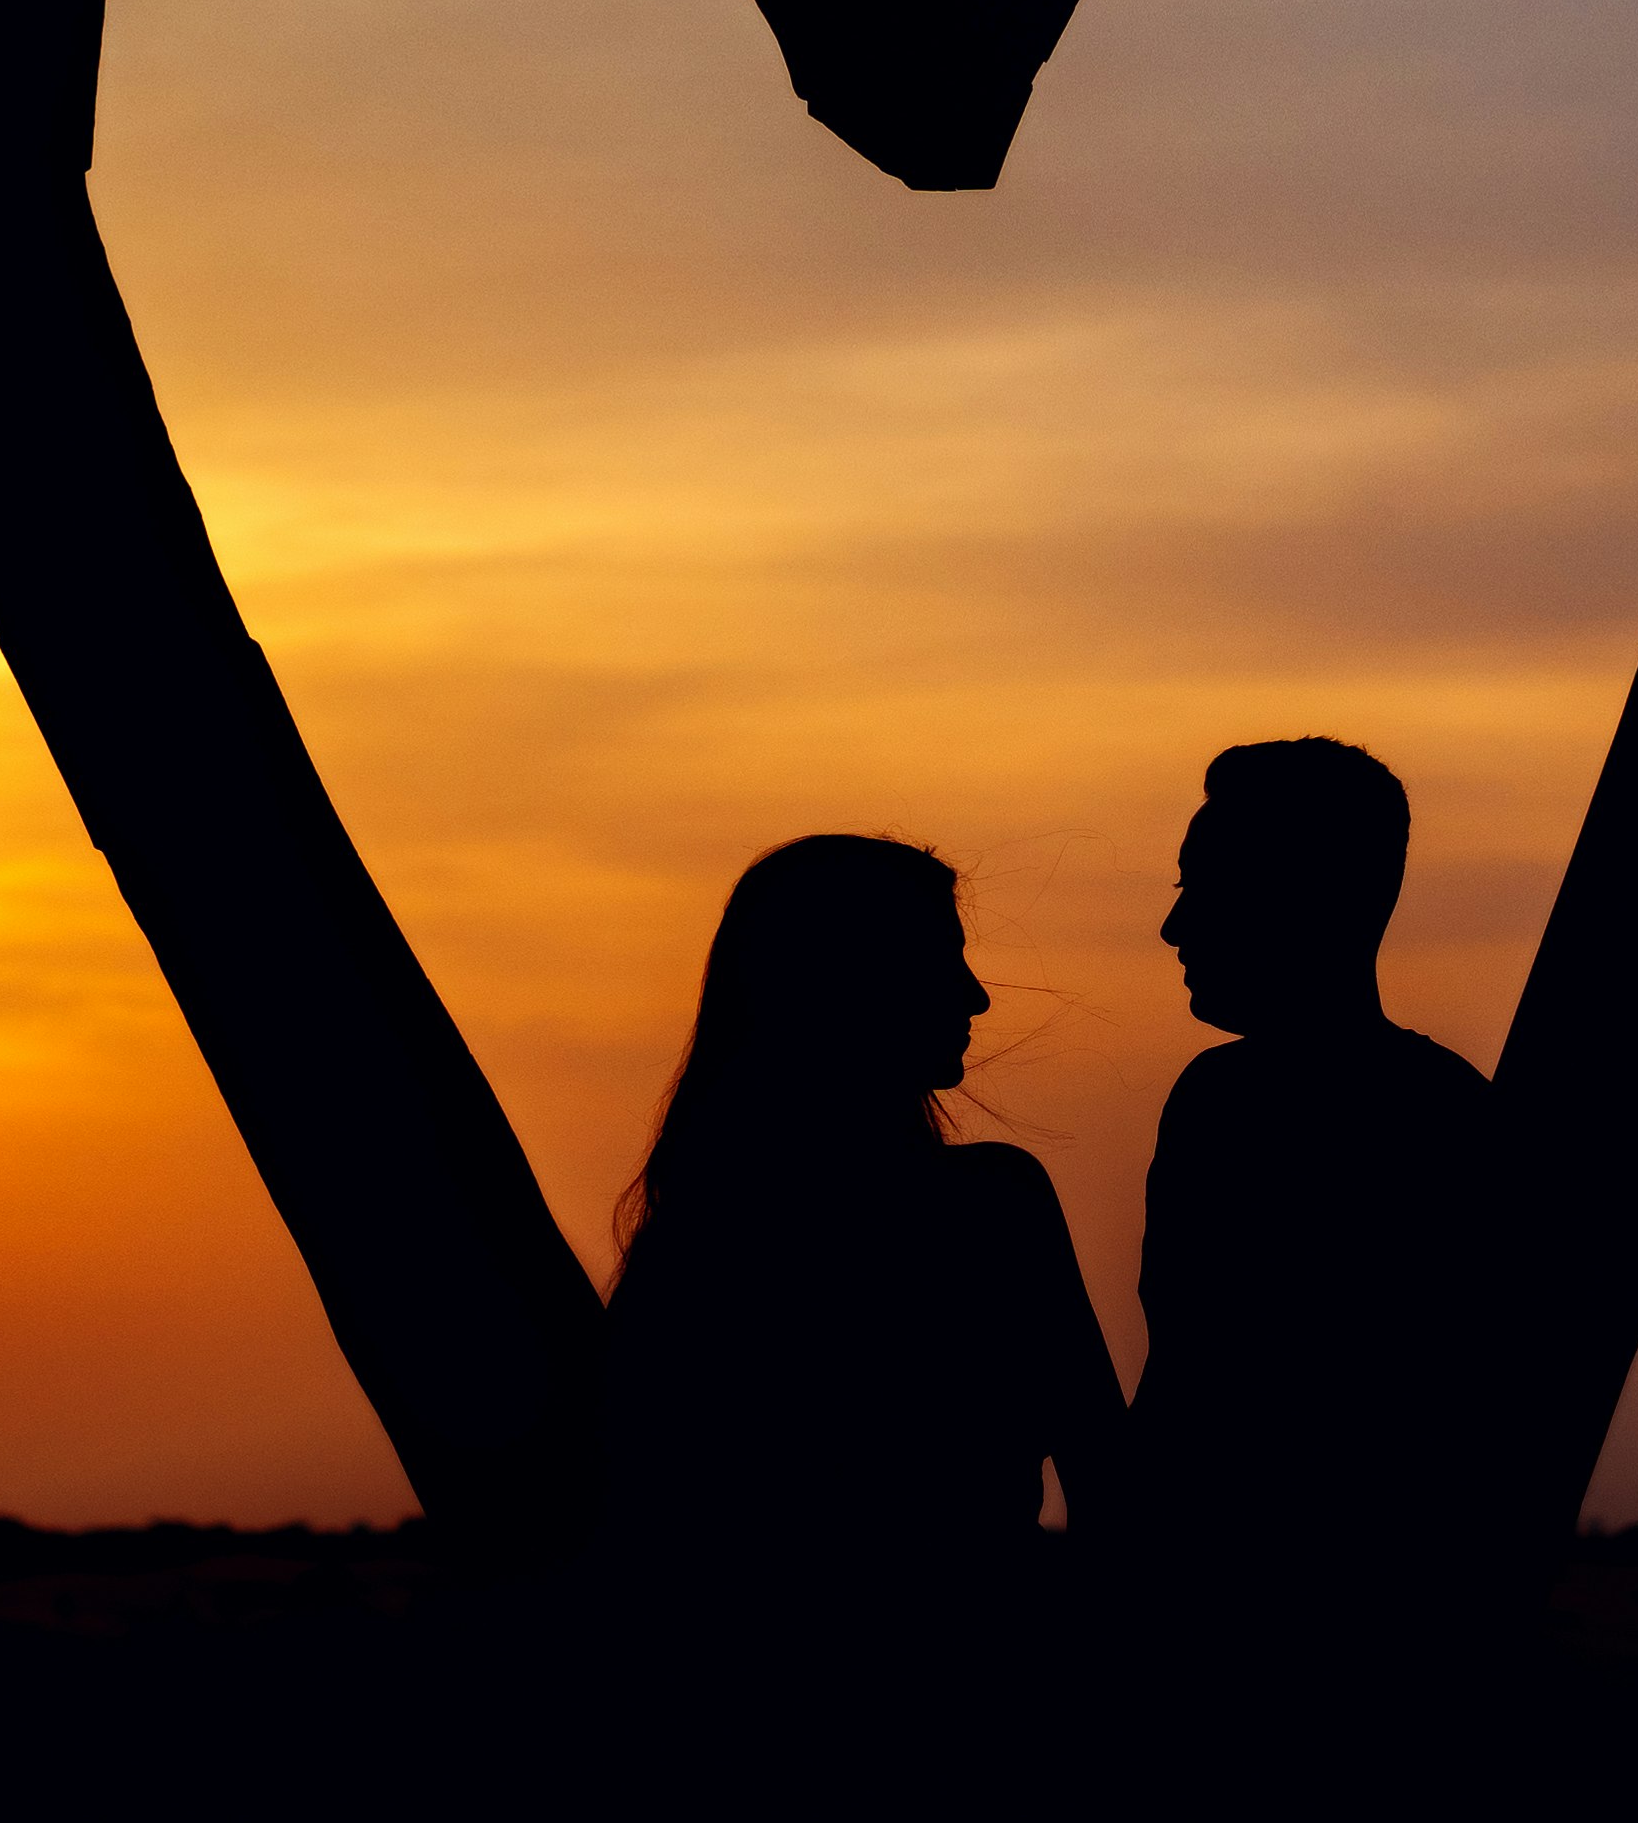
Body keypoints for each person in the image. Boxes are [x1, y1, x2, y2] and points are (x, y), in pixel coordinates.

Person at [599, 832, 1123, 1738]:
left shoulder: (691, 1252)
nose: (976, 996)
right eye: (940, 962)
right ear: (848, 986)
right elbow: (1114, 1492)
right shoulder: (991, 1205)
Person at [1129, 738, 1505, 1747]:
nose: (1173, 923)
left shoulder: (1245, 1108)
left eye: (1204, 887)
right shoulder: (1238, 1102)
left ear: (1308, 898)